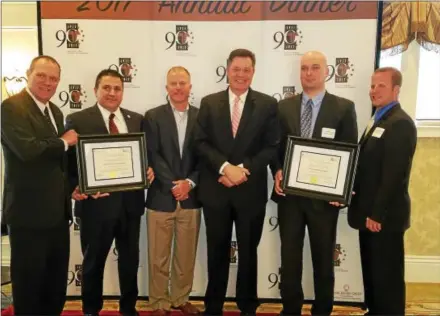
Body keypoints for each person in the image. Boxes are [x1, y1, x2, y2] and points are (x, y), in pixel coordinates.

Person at [193, 48, 279, 316]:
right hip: (216, 188)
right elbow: (200, 142)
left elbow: (272, 146)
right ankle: (214, 306)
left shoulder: (267, 105)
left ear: (253, 72)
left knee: (248, 253)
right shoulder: (209, 102)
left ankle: (247, 305)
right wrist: (224, 167)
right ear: (227, 70)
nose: (241, 74)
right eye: (236, 69)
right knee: (216, 251)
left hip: (249, 192)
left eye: (247, 70)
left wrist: (242, 169)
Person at [271, 51, 358, 316]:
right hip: (290, 198)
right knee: (290, 258)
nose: (309, 73)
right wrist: (276, 170)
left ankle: (322, 309)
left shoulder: (344, 107)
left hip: (324, 200)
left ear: (326, 71)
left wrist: (341, 191)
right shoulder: (283, 107)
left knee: (323, 259)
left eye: (314, 68)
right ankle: (291, 309)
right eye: (304, 68)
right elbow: (275, 146)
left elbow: (350, 151)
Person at [66, 69, 154, 316]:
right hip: (96, 206)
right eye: (107, 88)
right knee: (93, 263)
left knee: (130, 262)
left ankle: (129, 308)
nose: (112, 93)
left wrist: (149, 170)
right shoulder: (78, 119)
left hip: (130, 205)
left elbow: (145, 156)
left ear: (123, 92)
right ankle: (91, 310)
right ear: (95, 90)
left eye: (117, 88)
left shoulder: (136, 119)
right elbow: (68, 164)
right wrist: (77, 187)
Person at [1, 55, 78, 315]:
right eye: (41, 76)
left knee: (54, 286)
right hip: (28, 215)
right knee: (29, 287)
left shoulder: (55, 111)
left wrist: (73, 188)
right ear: (28, 74)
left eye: (54, 78)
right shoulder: (11, 107)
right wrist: (65, 142)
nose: (48, 82)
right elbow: (27, 150)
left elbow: (57, 164)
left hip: (57, 214)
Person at [348, 67, 417, 315]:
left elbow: (393, 176)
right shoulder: (378, 118)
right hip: (368, 215)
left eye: (381, 86)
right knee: (374, 274)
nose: (374, 91)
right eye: (372, 85)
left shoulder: (400, 124)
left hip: (383, 218)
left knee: (387, 278)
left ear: (396, 90)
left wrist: (377, 214)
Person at [143, 66, 202, 316]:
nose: (178, 88)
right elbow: (152, 155)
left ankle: (180, 297)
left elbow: (206, 157)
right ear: (166, 88)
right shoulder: (153, 116)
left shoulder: (202, 117)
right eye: (173, 83)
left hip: (192, 197)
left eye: (183, 83)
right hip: (160, 196)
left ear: (190, 87)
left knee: (185, 255)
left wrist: (189, 183)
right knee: (158, 257)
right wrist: (173, 185)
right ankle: (158, 302)